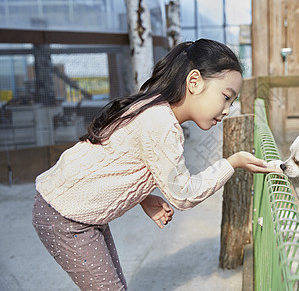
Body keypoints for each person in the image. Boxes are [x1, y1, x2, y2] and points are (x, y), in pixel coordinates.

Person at [32, 39, 278, 290]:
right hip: (65, 218)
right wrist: (231, 163)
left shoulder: (154, 109)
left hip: (74, 211)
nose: (227, 110)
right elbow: (184, 195)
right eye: (226, 97)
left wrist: (142, 196)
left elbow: (116, 160)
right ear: (194, 82)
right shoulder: (160, 122)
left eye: (231, 102)